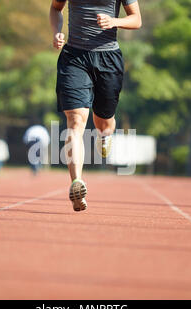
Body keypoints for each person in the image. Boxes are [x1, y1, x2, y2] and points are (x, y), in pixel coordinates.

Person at [50, 0, 142, 211]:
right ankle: (77, 182)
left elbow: (137, 19)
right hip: (74, 57)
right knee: (75, 121)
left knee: (103, 121)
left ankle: (105, 135)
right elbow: (56, 8)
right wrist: (56, 32)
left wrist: (114, 21)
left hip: (108, 58)